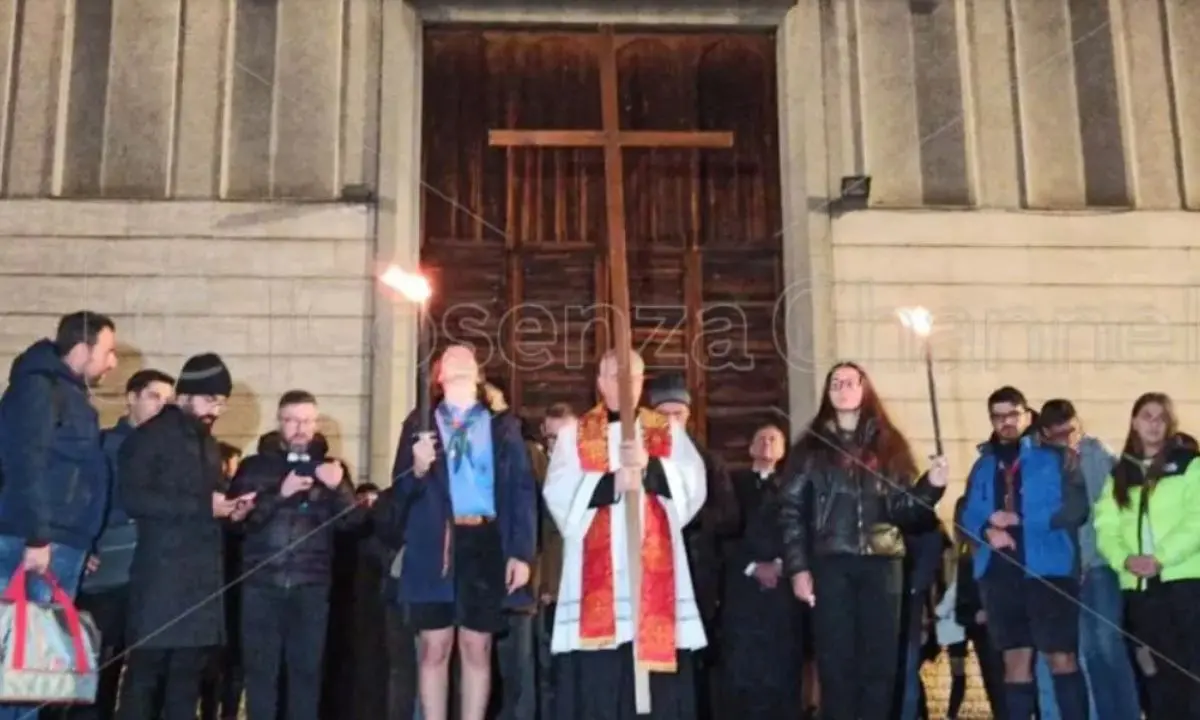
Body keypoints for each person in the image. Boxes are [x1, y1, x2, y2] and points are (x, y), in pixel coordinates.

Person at [544, 348, 708, 720]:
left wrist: (651, 471)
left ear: (640, 382)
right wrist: (611, 483)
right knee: (602, 682)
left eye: (629, 376)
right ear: (600, 383)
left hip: (653, 574)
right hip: (596, 578)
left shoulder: (665, 430)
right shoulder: (575, 433)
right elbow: (558, 493)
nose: (621, 383)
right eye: (611, 376)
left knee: (659, 688)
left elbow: (694, 486)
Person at [777, 361, 947, 720]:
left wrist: (931, 485)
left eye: (849, 381)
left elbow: (907, 512)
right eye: (834, 382)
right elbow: (790, 511)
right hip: (831, 562)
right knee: (837, 666)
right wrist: (798, 569)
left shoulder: (890, 444)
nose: (842, 387)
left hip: (883, 563)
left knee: (880, 666)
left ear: (864, 388)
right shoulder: (810, 448)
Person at [388, 345, 537, 720]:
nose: (457, 361)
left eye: (465, 358)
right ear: (438, 376)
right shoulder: (418, 425)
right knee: (434, 647)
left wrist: (520, 551)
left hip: (483, 541)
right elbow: (398, 495)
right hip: (434, 542)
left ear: (478, 373)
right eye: (448, 358)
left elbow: (521, 490)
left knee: (477, 646)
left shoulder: (503, 427)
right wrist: (418, 471)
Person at [117, 353, 253, 720]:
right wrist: (203, 506)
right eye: (211, 400)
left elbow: (207, 503)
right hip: (160, 582)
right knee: (144, 683)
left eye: (222, 403)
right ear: (186, 395)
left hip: (198, 585)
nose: (217, 410)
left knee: (185, 688)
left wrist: (231, 511)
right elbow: (134, 498)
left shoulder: (207, 444)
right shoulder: (148, 438)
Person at [0, 311, 118, 720]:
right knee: (18, 663)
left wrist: (85, 540)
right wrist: (36, 538)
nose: (113, 362)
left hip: (61, 544)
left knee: (33, 672)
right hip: (35, 544)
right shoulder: (39, 389)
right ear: (83, 350)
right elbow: (24, 464)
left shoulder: (67, 392)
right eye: (108, 351)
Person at [229, 390, 362, 720]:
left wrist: (340, 488)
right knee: (261, 675)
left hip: (311, 586)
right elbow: (238, 524)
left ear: (316, 424)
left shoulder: (331, 469)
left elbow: (354, 524)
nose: (300, 428)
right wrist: (280, 493)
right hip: (261, 584)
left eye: (306, 421)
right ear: (279, 423)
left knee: (306, 675)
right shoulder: (253, 467)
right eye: (291, 420)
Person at [959, 386, 1090, 720]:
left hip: (1049, 570)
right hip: (1000, 575)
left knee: (1061, 658)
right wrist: (985, 531)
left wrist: (1022, 520)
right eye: (998, 416)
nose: (1006, 422)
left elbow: (1075, 510)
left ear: (1027, 415)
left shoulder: (1058, 458)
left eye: (1012, 414)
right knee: (1015, 663)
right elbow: (966, 514)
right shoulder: (982, 466)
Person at [74, 368, 176, 720]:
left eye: (168, 401)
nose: (162, 406)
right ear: (131, 398)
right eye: (154, 397)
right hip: (107, 572)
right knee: (98, 666)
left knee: (145, 669)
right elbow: (83, 501)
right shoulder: (104, 445)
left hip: (151, 572)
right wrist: (83, 546)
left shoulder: (172, 452)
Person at [1093, 392, 1200, 719]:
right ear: (1134, 422)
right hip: (1139, 589)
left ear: (1171, 424)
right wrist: (1124, 559)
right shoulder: (1120, 474)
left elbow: (1196, 520)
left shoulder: (1190, 465)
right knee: (1154, 673)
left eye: (1161, 418)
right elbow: (1105, 525)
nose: (1153, 425)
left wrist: (1161, 558)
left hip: (1184, 583)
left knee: (1190, 672)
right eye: (1147, 417)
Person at [1038, 399, 1139, 720]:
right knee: (1086, 651)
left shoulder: (1098, 456)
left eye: (1071, 432)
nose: (1068, 440)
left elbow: (1109, 514)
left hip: (1099, 564)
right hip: (1066, 570)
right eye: (1059, 435)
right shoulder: (1041, 464)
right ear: (1045, 434)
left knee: (1108, 644)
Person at [720, 423, 799, 720]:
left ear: (783, 450)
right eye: (761, 438)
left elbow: (800, 532)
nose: (767, 443)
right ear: (751, 448)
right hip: (742, 592)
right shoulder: (732, 484)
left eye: (774, 439)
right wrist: (752, 567)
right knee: (742, 669)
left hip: (781, 593)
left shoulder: (793, 486)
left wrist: (780, 564)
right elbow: (724, 531)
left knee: (781, 669)